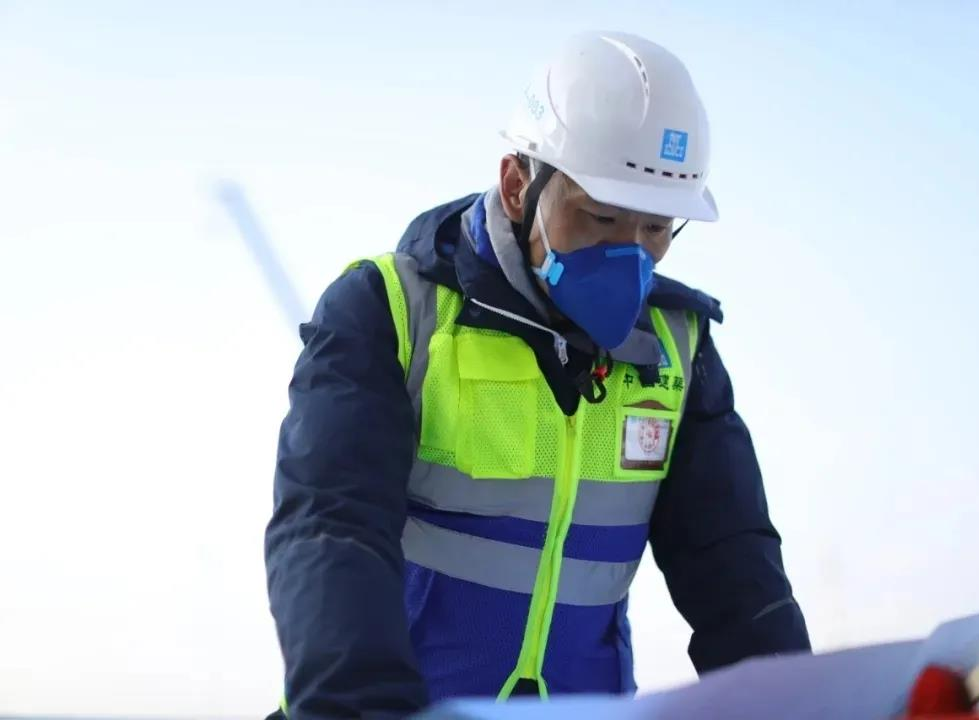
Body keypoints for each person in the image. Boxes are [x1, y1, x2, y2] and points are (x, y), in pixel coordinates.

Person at [265, 30, 810, 720]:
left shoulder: (679, 350)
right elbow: (331, 530)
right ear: (518, 185)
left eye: (655, 230)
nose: (630, 256)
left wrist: (796, 705)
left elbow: (734, 569)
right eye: (601, 217)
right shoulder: (393, 312)